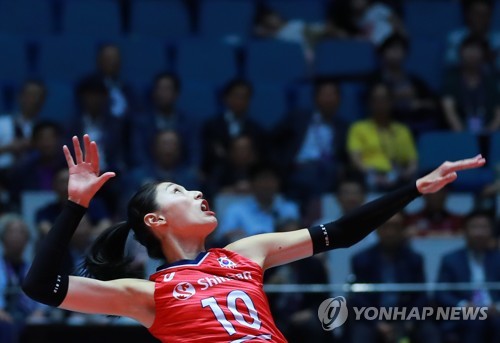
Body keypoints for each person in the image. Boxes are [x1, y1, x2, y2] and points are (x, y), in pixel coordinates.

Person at [22, 134, 485, 342]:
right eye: (179, 191)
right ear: (156, 222)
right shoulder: (148, 295)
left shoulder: (245, 253)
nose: (198, 191)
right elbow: (41, 287)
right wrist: (75, 205)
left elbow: (340, 233)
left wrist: (414, 189)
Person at [349, 213, 440, 343]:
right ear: (378, 229)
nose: (390, 232)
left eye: (396, 226)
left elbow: (421, 296)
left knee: (430, 333)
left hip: (406, 315)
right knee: (360, 336)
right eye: (386, 226)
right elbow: (358, 298)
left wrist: (409, 322)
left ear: (403, 230)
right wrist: (377, 324)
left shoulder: (414, 259)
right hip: (372, 316)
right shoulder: (361, 259)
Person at [436, 210, 500, 343]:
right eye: (475, 227)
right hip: (464, 315)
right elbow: (441, 293)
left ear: (491, 231)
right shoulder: (451, 259)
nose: (479, 233)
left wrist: (497, 306)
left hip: (495, 312)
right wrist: (463, 306)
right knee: (474, 321)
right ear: (464, 231)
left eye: (484, 227)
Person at [347, 82, 418, 191]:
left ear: (391, 102)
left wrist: (405, 174)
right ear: (370, 103)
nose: (380, 103)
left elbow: (413, 161)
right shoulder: (358, 128)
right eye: (376, 99)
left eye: (384, 99)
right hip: (369, 175)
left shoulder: (402, 130)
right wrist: (373, 175)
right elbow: (355, 159)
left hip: (397, 176)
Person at [371, 34, 443, 136]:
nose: (395, 53)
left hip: (416, 125)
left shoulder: (414, 80)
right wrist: (396, 98)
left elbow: (433, 102)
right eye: (391, 49)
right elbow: (373, 103)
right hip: (389, 126)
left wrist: (419, 104)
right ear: (383, 53)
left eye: (399, 49)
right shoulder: (376, 80)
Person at [441, 36, 500, 133]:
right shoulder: (451, 79)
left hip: (489, 135)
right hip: (458, 136)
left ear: (484, 54)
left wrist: (489, 133)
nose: (472, 53)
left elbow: (498, 113)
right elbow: (449, 110)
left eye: (477, 49)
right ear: (460, 52)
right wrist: (464, 137)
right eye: (469, 49)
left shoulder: (490, 81)